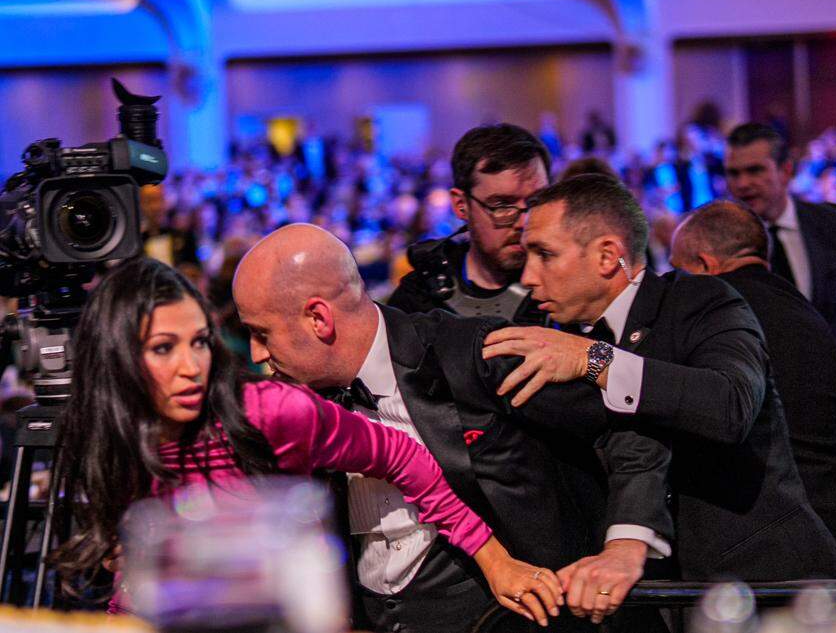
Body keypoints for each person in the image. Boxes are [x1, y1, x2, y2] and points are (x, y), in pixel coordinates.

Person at [50, 258, 561, 626]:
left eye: (200, 341)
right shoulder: (105, 434)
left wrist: (493, 559)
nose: (192, 366)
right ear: (117, 358)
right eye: (164, 348)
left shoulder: (271, 409)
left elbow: (402, 454)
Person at [232, 224, 672, 630]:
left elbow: (628, 426)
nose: (254, 353)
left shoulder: (473, 353)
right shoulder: (291, 401)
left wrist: (625, 546)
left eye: (262, 333)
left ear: (318, 319)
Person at [482, 173, 836, 583]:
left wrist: (595, 359)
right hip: (647, 597)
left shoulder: (702, 300)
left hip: (769, 585)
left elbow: (730, 406)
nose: (528, 276)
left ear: (608, 256)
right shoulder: (553, 337)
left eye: (545, 254)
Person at [668, 200, 836, 578]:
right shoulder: (802, 310)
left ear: (706, 266)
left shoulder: (721, 314)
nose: (674, 284)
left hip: (793, 539)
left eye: (678, 271)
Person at [388, 124, 551, 325]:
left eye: (536, 202)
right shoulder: (419, 300)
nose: (524, 222)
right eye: (502, 206)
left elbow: (600, 350)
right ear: (461, 205)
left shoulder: (570, 287)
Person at [724, 123, 836, 355]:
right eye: (734, 173)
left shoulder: (834, 223)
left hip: (833, 377)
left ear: (785, 171)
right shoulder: (718, 240)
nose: (742, 184)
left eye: (755, 170)